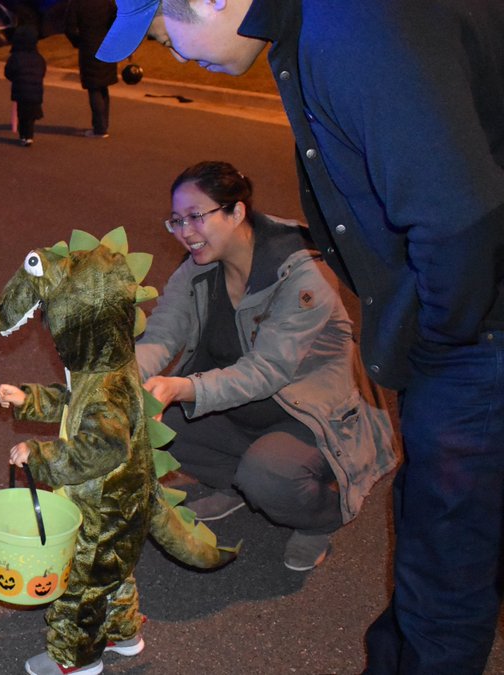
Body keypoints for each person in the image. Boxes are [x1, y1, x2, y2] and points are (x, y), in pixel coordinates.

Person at [97, 0, 504, 671]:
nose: (164, 49)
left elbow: (456, 222)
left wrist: (439, 343)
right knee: (440, 555)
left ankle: (320, 509)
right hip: (470, 335)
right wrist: (127, 371)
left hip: (473, 341)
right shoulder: (321, 28)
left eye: (161, 27)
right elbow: (165, 325)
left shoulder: (352, 29)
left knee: (446, 571)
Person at [138, 160, 397, 571]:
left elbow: (267, 371)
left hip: (311, 416)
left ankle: (320, 518)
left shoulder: (301, 271)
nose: (185, 232)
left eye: (195, 217)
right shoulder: (198, 270)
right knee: (149, 428)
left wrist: (184, 388)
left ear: (236, 211)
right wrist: (118, 379)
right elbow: (161, 337)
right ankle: (239, 484)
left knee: (270, 475)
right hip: (240, 411)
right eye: (176, 221)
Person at [63, 0, 116, 139]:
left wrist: (78, 42)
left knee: (94, 87)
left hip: (88, 47)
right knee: (103, 86)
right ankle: (104, 124)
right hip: (107, 46)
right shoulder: (107, 2)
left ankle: (99, 128)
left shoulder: (77, 3)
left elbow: (69, 28)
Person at [3, 23, 44, 147]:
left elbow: (8, 72)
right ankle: (29, 136)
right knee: (31, 115)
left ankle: (23, 136)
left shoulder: (15, 57)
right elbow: (43, 71)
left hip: (21, 90)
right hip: (35, 90)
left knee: (22, 114)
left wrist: (15, 79)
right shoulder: (38, 57)